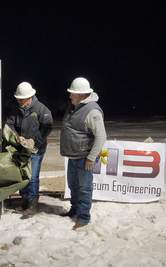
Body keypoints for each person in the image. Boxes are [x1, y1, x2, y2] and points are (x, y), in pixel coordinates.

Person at [60, 77, 107, 230]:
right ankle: (74, 209)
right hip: (74, 156)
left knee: (84, 188)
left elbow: (101, 136)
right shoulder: (74, 107)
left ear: (82, 96)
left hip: (84, 158)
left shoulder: (92, 111)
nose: (69, 96)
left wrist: (91, 158)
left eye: (72, 93)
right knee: (73, 186)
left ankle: (83, 217)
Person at [6, 82, 53, 218]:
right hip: (21, 148)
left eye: (21, 99)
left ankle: (33, 204)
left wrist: (34, 140)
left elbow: (47, 128)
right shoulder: (16, 108)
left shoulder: (41, 109)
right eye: (18, 98)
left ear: (30, 97)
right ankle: (25, 201)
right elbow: (10, 124)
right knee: (21, 175)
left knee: (32, 177)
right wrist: (17, 136)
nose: (19, 101)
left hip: (36, 149)